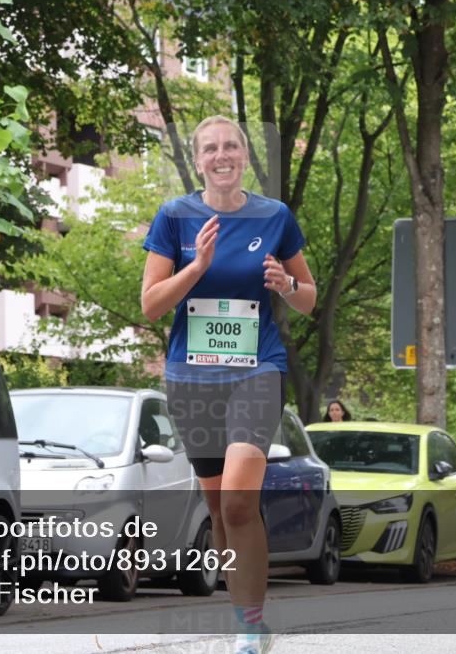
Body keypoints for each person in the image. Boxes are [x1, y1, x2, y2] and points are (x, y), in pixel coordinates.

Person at [142, 116, 315, 654]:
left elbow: (307, 296)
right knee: (219, 509)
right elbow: (150, 305)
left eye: (231, 146)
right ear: (198, 161)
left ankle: (249, 626)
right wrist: (197, 267)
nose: (222, 155)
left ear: (244, 155)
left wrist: (286, 285)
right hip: (191, 379)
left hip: (255, 371)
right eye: (211, 148)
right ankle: (246, 617)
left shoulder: (274, 216)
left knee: (240, 502)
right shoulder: (175, 217)